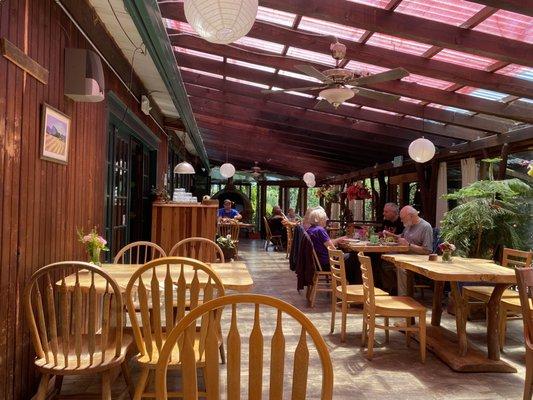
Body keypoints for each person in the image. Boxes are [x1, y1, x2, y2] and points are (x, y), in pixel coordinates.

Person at [385, 205, 433, 295]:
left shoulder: (426, 227)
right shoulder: (408, 225)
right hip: (405, 255)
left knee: (401, 267)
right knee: (384, 261)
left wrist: (409, 245)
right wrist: (392, 235)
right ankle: (390, 292)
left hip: (418, 259)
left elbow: (427, 250)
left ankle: (403, 297)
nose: (401, 220)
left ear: (411, 216)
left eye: (403, 218)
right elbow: (402, 237)